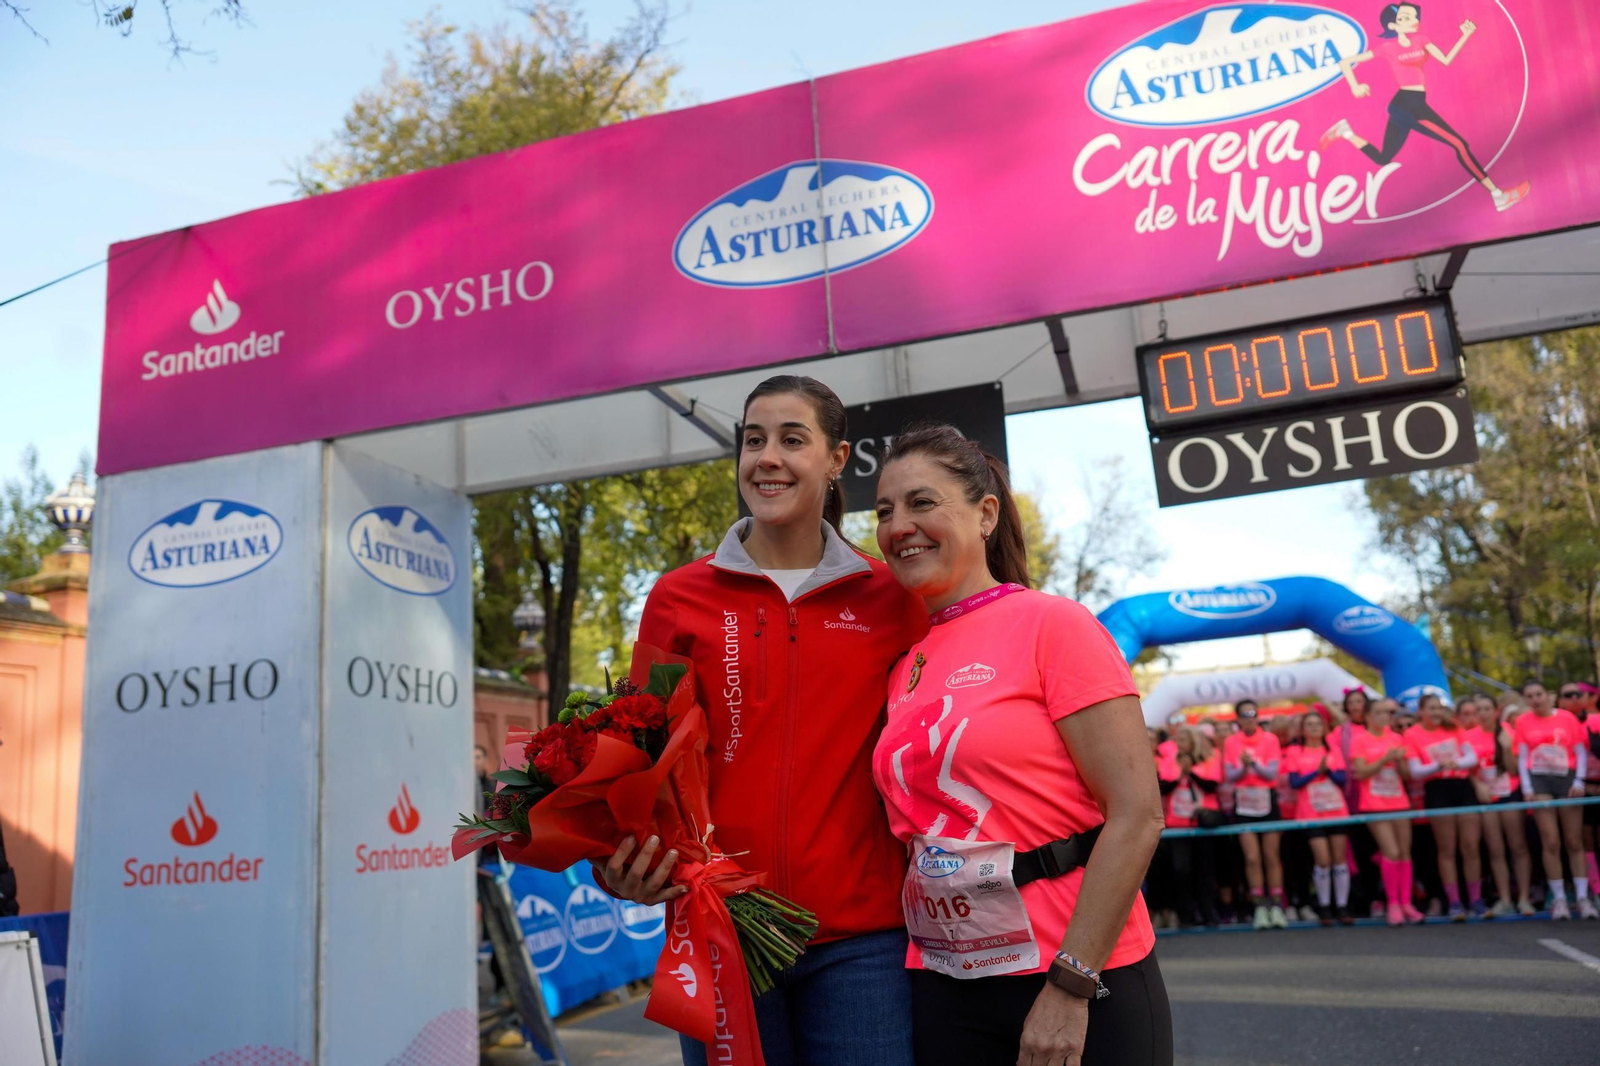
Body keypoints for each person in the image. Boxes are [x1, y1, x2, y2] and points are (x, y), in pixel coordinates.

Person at [598, 375, 928, 1066]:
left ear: (837, 460)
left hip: (862, 942)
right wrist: (619, 864)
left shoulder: (890, 596)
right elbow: (640, 755)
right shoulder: (679, 596)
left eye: (792, 439)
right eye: (753, 440)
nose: (766, 458)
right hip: (722, 927)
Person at [871, 424, 1172, 1066]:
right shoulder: (905, 664)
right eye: (885, 511)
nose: (899, 526)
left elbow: (1137, 813)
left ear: (985, 514)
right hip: (946, 980)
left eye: (921, 503)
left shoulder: (1053, 624)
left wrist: (1071, 983)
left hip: (1074, 973)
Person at [1321, 3, 1530, 212]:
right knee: (1459, 145)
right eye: (1404, 18)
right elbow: (1345, 63)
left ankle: (1345, 132)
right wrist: (1355, 86)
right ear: (1393, 25)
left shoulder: (1422, 40)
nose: (1413, 21)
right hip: (1406, 104)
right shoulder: (1388, 48)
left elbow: (1446, 60)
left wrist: (1465, 35)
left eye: (1414, 17)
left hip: (1411, 104)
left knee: (1383, 158)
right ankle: (1498, 196)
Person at [1513, 680, 1594, 920]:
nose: (1535, 699)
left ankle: (1582, 897)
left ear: (1548, 695)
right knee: (1550, 840)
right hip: (1539, 780)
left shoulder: (1567, 718)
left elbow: (1580, 751)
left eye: (1538, 694)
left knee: (1574, 839)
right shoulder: (1523, 721)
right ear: (1525, 700)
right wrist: (1527, 787)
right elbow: (1522, 756)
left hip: (1566, 777)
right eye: (1530, 696)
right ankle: (1559, 898)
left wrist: (1579, 781)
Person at [1403, 694, 1482, 920]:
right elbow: (1415, 770)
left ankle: (1475, 900)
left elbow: (1472, 757)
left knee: (1470, 845)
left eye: (1438, 708)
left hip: (1462, 786)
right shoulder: (1412, 734)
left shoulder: (1453, 726)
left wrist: (1456, 763)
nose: (1436, 713)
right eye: (1431, 708)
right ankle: (1454, 902)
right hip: (1437, 789)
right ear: (1421, 712)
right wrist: (1438, 765)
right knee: (1446, 848)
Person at [1349, 698, 1421, 925]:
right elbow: (1360, 772)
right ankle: (1392, 903)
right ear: (1368, 716)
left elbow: (1406, 774)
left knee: (1404, 852)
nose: (1384, 717)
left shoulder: (1396, 738)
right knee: (1390, 851)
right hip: (1374, 804)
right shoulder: (1359, 740)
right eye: (1379, 713)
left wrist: (1399, 762)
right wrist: (1384, 759)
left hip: (1399, 801)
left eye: (1387, 713)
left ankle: (1406, 902)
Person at [1461, 695, 1532, 916]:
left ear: (1496, 711)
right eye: (1478, 710)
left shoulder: (1508, 732)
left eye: (1486, 709)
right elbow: (1466, 770)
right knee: (1495, 849)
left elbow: (1514, 769)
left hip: (1510, 792)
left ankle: (1524, 898)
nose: (1482, 714)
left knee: (1518, 845)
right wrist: (1477, 785)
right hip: (1486, 796)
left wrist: (1507, 749)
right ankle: (1505, 899)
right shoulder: (1468, 736)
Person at [1285, 709, 1353, 926]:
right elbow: (1294, 782)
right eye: (1310, 725)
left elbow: (1342, 779)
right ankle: (1324, 905)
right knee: (1322, 859)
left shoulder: (1332, 750)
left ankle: (1342, 905)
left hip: (1336, 810)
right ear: (1303, 730)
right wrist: (1317, 771)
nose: (1314, 728)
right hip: (1311, 812)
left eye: (1318, 724)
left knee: (1339, 858)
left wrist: (1328, 771)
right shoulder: (1295, 751)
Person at [1223, 700, 1287, 929]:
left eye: (1253, 713)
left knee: (1271, 855)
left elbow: (1271, 774)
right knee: (1252, 857)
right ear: (1238, 718)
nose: (1249, 718)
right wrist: (1243, 767)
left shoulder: (1270, 739)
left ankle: (1276, 905)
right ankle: (1260, 906)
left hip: (1267, 799)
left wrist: (1253, 764)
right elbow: (1230, 776)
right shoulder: (1231, 742)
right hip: (1244, 802)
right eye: (1244, 714)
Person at [1158, 726, 1223, 926]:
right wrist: (1180, 776)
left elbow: (1211, 786)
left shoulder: (1209, 759)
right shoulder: (1169, 761)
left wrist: (1190, 773)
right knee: (1181, 870)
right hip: (1177, 825)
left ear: (1194, 741)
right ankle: (1186, 914)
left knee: (1204, 870)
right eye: (1178, 740)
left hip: (1203, 824)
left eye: (1184, 739)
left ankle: (1208, 912)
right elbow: (1162, 788)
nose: (1179, 743)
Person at [1559, 682, 1600, 907]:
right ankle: (1595, 889)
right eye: (1568, 695)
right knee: (1582, 841)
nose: (1574, 698)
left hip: (1595, 787)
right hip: (1574, 788)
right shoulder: (1558, 725)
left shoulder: (1596, 720)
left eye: (1578, 694)